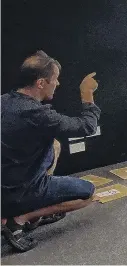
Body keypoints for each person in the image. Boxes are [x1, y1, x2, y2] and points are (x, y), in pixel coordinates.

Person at [1, 51, 101, 252]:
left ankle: (27, 209)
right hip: (18, 191)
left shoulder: (3, 100)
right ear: (40, 83)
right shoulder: (38, 115)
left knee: (54, 144)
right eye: (54, 79)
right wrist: (87, 96)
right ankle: (20, 218)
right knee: (88, 194)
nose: (58, 84)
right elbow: (85, 127)